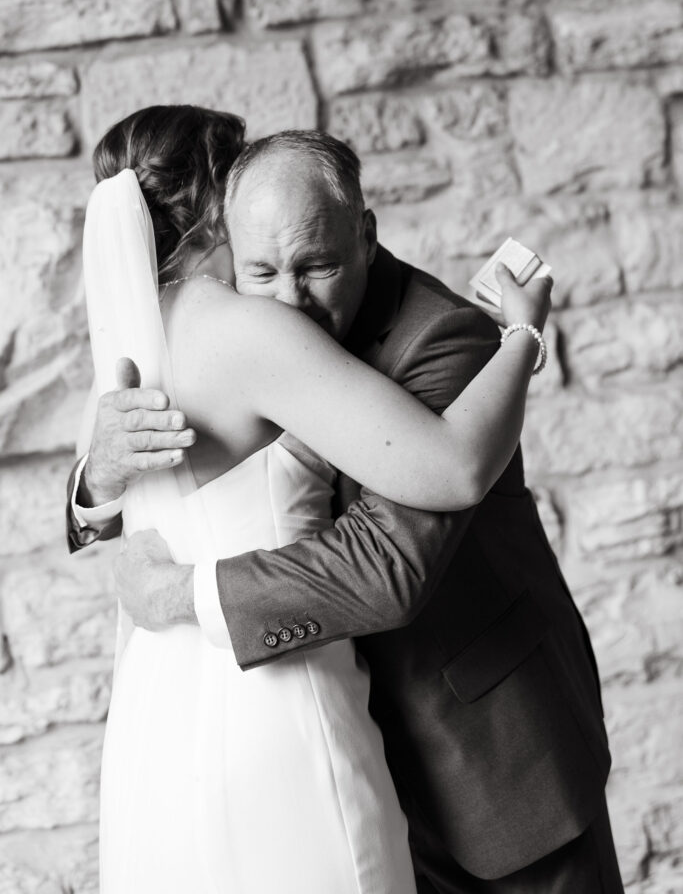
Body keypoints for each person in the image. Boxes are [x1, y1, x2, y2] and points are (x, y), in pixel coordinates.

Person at [73, 110, 555, 894]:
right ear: (220, 207)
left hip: (165, 701)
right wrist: (525, 339)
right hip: (272, 698)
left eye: (314, 263)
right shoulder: (243, 328)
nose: (285, 292)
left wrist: (99, 495)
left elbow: (110, 497)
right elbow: (455, 467)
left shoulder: (131, 328)